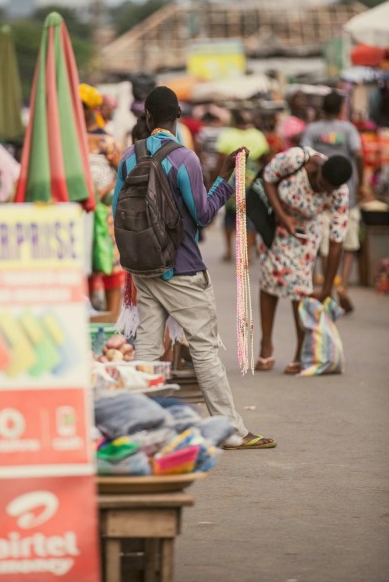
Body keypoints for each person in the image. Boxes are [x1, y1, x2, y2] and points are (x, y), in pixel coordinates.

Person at [113, 86, 276, 449]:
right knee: (203, 348)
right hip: (181, 267)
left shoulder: (128, 157)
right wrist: (225, 178)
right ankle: (229, 430)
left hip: (142, 267)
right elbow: (202, 215)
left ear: (149, 118)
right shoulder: (183, 158)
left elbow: (116, 214)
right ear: (178, 118)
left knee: (148, 348)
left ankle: (138, 426)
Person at [256, 146, 352, 373]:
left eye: (329, 190)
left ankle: (301, 350)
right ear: (318, 170)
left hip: (307, 233)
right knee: (269, 281)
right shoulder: (297, 159)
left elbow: (337, 240)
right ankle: (266, 344)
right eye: (322, 184)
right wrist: (283, 217)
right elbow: (268, 179)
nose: (324, 191)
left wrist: (328, 288)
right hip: (277, 224)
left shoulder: (340, 193)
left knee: (300, 288)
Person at [302, 91, 365, 313]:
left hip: (320, 193)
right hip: (347, 192)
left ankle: (327, 281)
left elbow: (306, 155)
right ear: (341, 108)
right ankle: (343, 285)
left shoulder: (312, 129)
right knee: (348, 243)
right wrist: (361, 183)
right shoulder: (348, 129)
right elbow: (358, 154)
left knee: (324, 240)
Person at [80, 84, 125, 322]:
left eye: (81, 106)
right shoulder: (70, 139)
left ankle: (112, 326)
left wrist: (101, 193)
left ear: (90, 108)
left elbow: (123, 173)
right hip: (80, 213)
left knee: (110, 267)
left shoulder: (107, 141)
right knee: (85, 267)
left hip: (105, 214)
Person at [216, 109, 270, 262]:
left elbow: (221, 159)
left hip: (233, 179)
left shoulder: (227, 135)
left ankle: (228, 251)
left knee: (230, 216)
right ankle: (246, 254)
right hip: (251, 179)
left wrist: (217, 179)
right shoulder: (257, 135)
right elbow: (265, 158)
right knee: (250, 216)